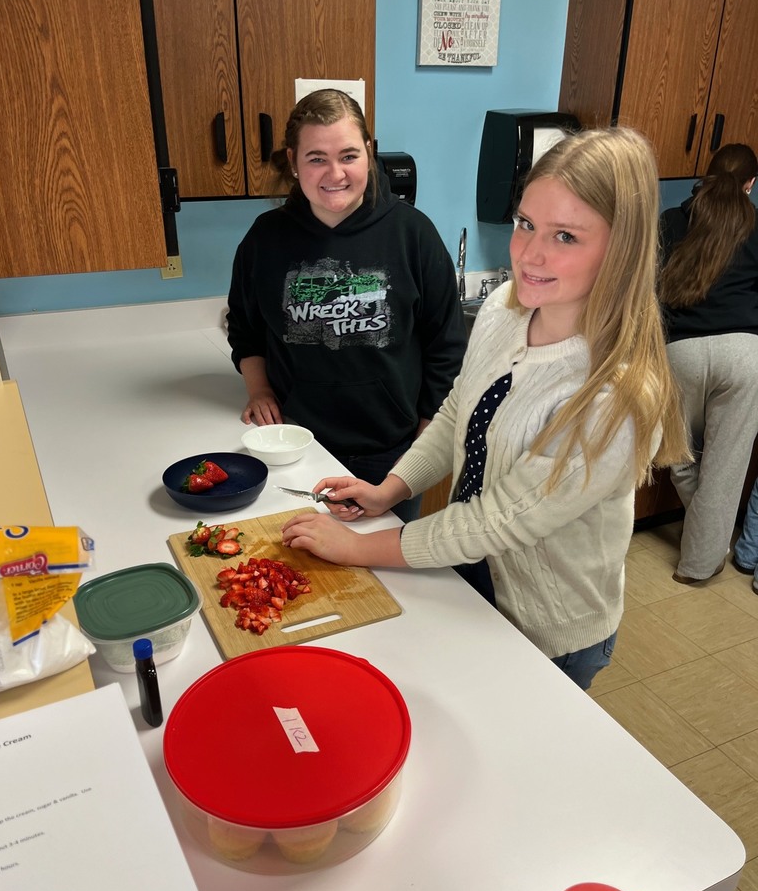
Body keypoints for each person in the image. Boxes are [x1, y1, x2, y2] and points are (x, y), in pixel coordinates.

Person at [280, 126, 689, 690]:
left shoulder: (611, 393)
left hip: (548, 625)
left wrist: (358, 548)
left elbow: (498, 520)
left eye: (566, 236)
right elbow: (458, 412)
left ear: (620, 246)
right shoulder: (507, 308)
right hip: (466, 571)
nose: (529, 254)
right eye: (526, 224)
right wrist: (389, 490)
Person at [225, 89, 466, 522]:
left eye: (349, 156)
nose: (334, 173)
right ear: (293, 160)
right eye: (316, 157)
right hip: (297, 446)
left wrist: (422, 447)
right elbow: (245, 328)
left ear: (369, 154)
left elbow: (445, 347)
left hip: (392, 453)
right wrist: (258, 389)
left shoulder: (413, 234)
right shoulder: (265, 239)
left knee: (387, 578)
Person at [658, 143, 758, 584]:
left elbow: (650, 291)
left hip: (682, 352)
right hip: (745, 354)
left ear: (707, 174)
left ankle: (704, 541)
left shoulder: (672, 220)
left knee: (677, 452)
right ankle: (699, 564)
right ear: (751, 185)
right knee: (725, 465)